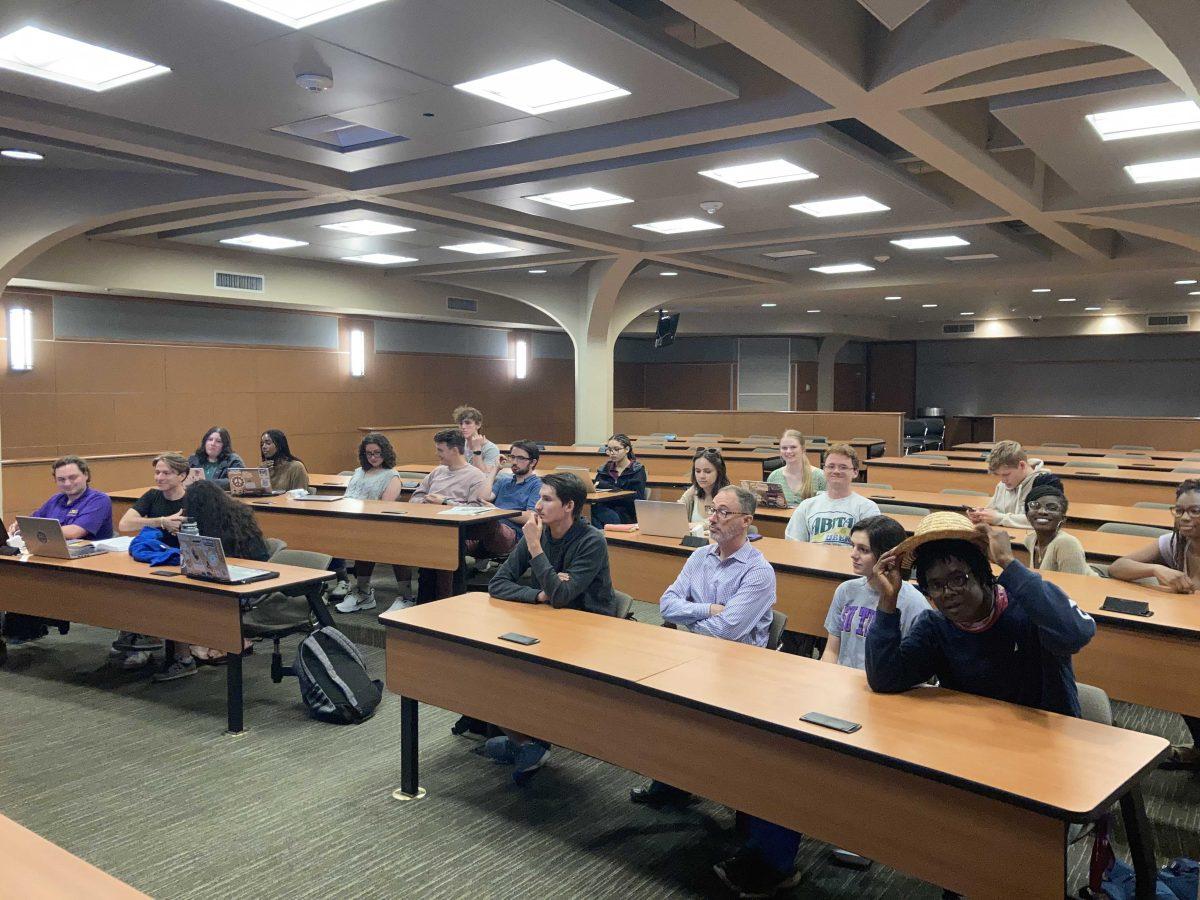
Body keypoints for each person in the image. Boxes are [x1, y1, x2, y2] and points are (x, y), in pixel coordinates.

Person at [720, 515, 933, 886]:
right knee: (779, 750)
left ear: (888, 559)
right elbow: (831, 650)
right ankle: (765, 849)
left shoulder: (914, 605)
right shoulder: (846, 592)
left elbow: (917, 675)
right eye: (853, 546)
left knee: (806, 767)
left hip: (884, 706)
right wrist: (821, 687)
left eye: (862, 550)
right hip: (839, 694)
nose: (852, 555)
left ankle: (778, 856)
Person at [866, 511, 1096, 717]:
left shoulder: (1031, 612)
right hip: (972, 740)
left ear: (983, 576)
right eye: (936, 585)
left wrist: (1008, 562)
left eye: (958, 579)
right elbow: (884, 679)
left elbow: (1075, 633)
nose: (948, 593)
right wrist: (888, 599)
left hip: (1049, 742)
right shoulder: (935, 627)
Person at [631, 486, 776, 801]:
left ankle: (709, 784)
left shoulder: (759, 572)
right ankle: (673, 778)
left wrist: (689, 620)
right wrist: (706, 610)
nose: (712, 518)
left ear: (746, 521)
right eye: (712, 510)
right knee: (649, 694)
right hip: (692, 656)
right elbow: (667, 605)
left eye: (723, 512)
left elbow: (726, 632)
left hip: (740, 670)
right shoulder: (699, 557)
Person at [485, 472, 617, 784]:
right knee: (493, 663)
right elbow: (497, 584)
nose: (537, 506)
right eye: (539, 497)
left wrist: (535, 549)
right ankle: (526, 739)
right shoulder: (539, 533)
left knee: (526, 671)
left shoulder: (591, 540)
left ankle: (534, 738)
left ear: (569, 506)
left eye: (546, 499)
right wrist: (539, 593)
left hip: (590, 629)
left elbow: (563, 597)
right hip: (549, 619)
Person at [1109, 479, 1200, 768]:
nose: (1185, 518)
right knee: (1181, 680)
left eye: (1195, 511)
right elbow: (1117, 567)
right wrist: (1155, 567)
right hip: (1190, 636)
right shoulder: (1174, 544)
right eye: (1180, 510)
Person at [2, 455, 115, 651]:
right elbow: (33, 520)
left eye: (73, 477)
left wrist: (35, 528)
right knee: (16, 575)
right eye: (61, 479)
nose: (67, 483)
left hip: (90, 563)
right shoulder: (56, 500)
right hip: (56, 557)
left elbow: (76, 531)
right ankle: (23, 626)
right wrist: (19, 526)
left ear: (86, 475)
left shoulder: (99, 499)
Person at [164, 480, 271, 678]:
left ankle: (186, 653)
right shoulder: (240, 513)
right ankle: (195, 646)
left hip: (242, 584)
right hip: (242, 576)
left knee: (175, 595)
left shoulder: (207, 525)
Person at [112, 453, 190, 670]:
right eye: (157, 472)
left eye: (166, 473)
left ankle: (181, 655)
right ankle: (142, 635)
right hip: (153, 557)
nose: (159, 477)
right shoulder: (152, 497)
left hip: (180, 560)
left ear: (182, 476)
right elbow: (125, 524)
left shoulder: (191, 499)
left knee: (169, 595)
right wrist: (162, 521)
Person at [329, 433, 404, 614]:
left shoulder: (391, 475)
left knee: (377, 544)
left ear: (385, 452)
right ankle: (363, 593)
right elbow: (348, 496)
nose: (373, 457)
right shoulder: (358, 472)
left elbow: (384, 506)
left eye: (377, 453)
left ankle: (405, 596)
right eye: (368, 453)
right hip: (354, 522)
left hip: (379, 525)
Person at [411, 428, 488, 602]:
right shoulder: (437, 472)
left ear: (454, 450)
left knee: (439, 553)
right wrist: (427, 503)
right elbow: (416, 497)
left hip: (458, 533)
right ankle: (423, 603)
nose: (437, 454)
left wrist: (445, 503)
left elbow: (476, 510)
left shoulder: (476, 476)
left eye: (440, 450)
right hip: (430, 528)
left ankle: (445, 603)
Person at [783, 443, 879, 546]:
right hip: (812, 561)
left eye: (843, 467)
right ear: (824, 470)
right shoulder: (806, 506)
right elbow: (793, 545)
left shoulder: (867, 508)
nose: (836, 471)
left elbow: (871, 548)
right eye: (831, 466)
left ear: (855, 472)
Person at [469, 439, 543, 558]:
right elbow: (483, 498)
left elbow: (531, 516)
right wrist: (495, 469)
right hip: (490, 529)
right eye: (512, 457)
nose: (514, 462)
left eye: (520, 458)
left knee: (487, 525)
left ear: (533, 462)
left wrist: (498, 512)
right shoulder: (504, 480)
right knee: (456, 536)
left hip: (512, 535)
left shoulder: (538, 485)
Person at [1022, 479, 1095, 577]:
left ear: (1063, 518)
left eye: (1052, 508)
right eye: (1035, 506)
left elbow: (1074, 588)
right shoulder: (1030, 540)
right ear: (1027, 515)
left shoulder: (1067, 543)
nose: (1042, 511)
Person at [966, 440, 1045, 528]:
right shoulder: (1002, 485)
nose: (1003, 481)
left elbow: (1042, 519)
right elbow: (993, 511)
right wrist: (981, 515)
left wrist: (999, 518)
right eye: (999, 475)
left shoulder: (1044, 484)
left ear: (1022, 466)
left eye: (1006, 474)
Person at [592, 433, 647, 527]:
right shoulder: (604, 469)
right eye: (609, 450)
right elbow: (596, 487)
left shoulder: (637, 470)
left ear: (627, 449)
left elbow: (637, 498)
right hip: (604, 508)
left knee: (601, 514)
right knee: (591, 510)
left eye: (616, 449)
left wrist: (611, 490)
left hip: (627, 512)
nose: (612, 453)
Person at [767, 430, 826, 505]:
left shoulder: (820, 476)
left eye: (793, 447)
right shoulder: (774, 476)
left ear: (803, 449)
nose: (788, 451)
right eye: (784, 448)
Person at [677, 448, 729, 534]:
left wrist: (697, 525)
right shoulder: (693, 490)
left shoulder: (728, 495)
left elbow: (720, 520)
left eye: (707, 471)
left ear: (719, 472)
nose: (701, 476)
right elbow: (677, 511)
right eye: (697, 471)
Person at [454, 405, 500, 478]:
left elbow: (484, 476)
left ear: (478, 425)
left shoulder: (491, 449)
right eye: (460, 424)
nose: (463, 427)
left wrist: (477, 450)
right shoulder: (459, 444)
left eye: (467, 423)